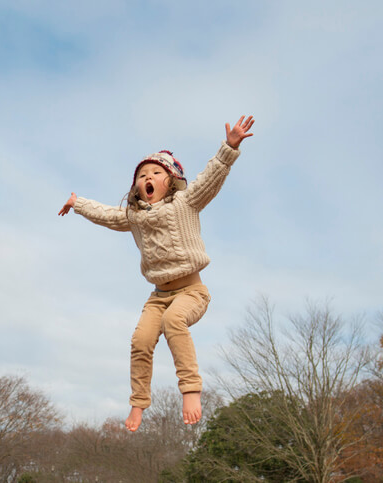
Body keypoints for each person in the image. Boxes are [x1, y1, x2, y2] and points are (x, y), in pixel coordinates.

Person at [58, 116, 254, 430]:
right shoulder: (134, 216)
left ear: (171, 179)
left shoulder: (185, 202)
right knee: (140, 341)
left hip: (192, 291)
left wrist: (229, 148)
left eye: (155, 173)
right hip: (158, 296)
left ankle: (191, 390)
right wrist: (77, 203)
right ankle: (138, 403)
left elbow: (210, 179)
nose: (147, 177)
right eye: (142, 175)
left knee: (174, 321)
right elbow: (106, 214)